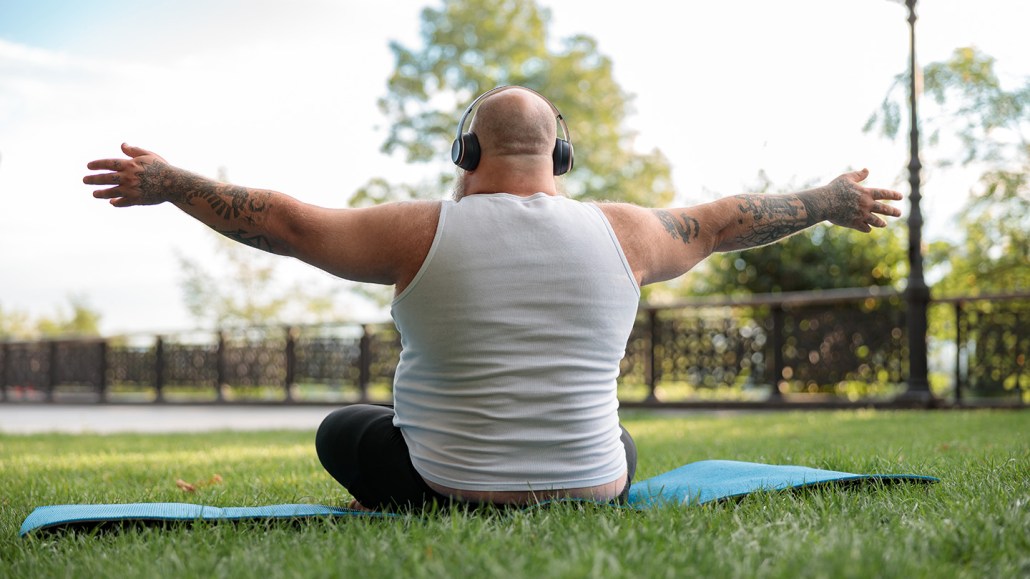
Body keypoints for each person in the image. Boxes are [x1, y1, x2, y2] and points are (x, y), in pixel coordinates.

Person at [83, 86, 903, 511]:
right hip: (595, 487)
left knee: (343, 428)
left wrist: (170, 183)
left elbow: (286, 224)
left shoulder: (418, 229)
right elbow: (732, 220)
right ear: (562, 155)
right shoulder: (630, 231)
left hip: (441, 486)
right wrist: (830, 200)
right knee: (611, 430)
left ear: (465, 150)